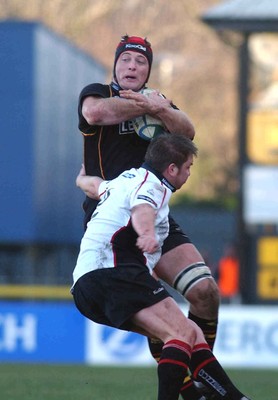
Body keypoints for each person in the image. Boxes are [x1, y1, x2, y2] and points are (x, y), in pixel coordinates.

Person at [76, 34, 220, 399]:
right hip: (113, 223)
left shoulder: (160, 102)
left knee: (205, 291)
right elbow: (95, 113)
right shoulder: (97, 92)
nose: (132, 67)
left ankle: (203, 377)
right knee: (164, 321)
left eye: (140, 62)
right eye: (125, 60)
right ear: (115, 65)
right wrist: (147, 106)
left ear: (148, 70)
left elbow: (186, 132)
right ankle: (188, 389)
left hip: (156, 215)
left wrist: (160, 107)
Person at [72, 134, 250, 400]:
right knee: (181, 333)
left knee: (189, 334)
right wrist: (146, 233)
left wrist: (80, 179)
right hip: (115, 272)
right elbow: (143, 207)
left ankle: (223, 397)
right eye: (188, 167)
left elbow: (95, 186)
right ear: (171, 169)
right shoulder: (153, 186)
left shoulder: (125, 179)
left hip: (87, 286)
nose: (190, 173)